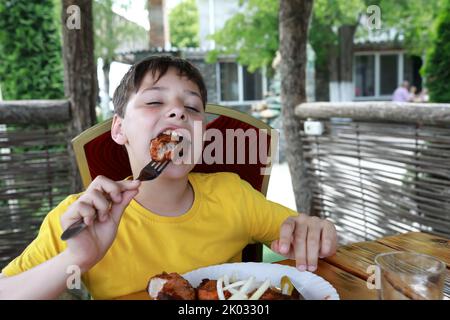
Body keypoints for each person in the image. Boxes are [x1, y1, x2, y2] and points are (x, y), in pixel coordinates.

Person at [0, 56, 337, 300]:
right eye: (155, 101)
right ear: (119, 129)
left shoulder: (233, 194)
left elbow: (307, 238)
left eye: (192, 109)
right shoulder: (81, 218)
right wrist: (77, 258)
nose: (178, 112)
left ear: (202, 136)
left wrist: (317, 232)